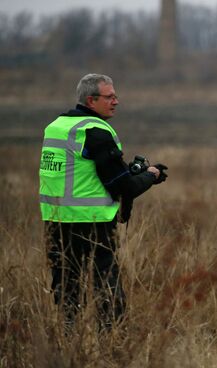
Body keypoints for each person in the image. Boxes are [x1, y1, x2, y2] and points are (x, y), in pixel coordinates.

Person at [39, 73, 168, 330]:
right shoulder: (95, 131)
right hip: (92, 222)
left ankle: (68, 340)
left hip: (56, 221)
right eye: (110, 97)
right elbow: (123, 186)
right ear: (91, 100)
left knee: (66, 288)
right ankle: (111, 342)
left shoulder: (57, 126)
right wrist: (150, 175)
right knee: (107, 286)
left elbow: (79, 173)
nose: (116, 101)